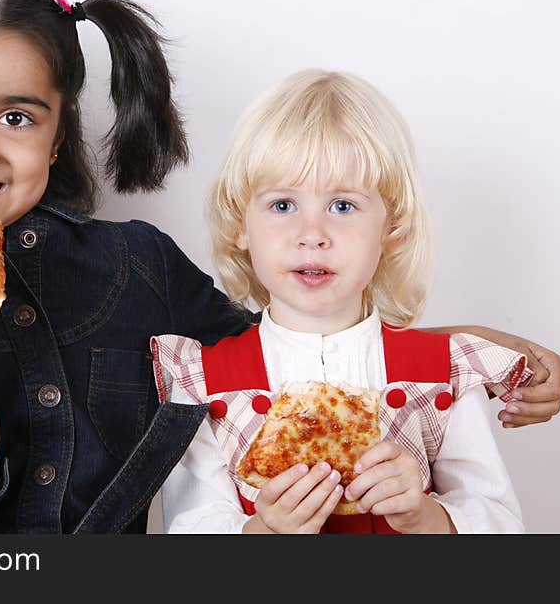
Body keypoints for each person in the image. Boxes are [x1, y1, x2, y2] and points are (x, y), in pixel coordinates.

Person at [0, 0, 560, 533]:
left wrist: (477, 354)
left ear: (60, 137)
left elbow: (287, 353)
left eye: (18, 116)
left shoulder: (139, 266)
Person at [156, 70, 528, 533]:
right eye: (283, 206)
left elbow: (502, 523)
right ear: (239, 224)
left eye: (343, 206)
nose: (312, 235)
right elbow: (190, 529)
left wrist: (424, 517)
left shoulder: (444, 375)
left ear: (392, 230)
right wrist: (264, 532)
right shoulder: (204, 385)